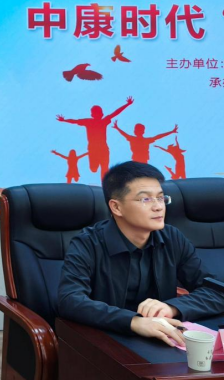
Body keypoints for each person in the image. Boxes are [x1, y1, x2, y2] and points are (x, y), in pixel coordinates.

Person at [58, 161, 224, 347]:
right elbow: (69, 300)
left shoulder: (172, 238)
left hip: (161, 339)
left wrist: (172, 307)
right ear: (116, 207)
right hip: (106, 340)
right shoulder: (88, 244)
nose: (158, 207)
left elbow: (216, 292)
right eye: (146, 199)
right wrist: (134, 321)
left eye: (161, 198)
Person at [56, 96, 133, 179]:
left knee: (104, 168)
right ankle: (97, 169)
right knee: (93, 169)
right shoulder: (89, 121)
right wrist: (64, 120)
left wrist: (127, 104)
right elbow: (75, 121)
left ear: (101, 114)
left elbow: (115, 113)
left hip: (103, 148)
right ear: (92, 114)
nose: (97, 114)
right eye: (95, 113)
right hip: (93, 149)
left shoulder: (103, 121)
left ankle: (104, 184)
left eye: (98, 113)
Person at [112, 120, 177, 164]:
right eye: (136, 129)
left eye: (137, 130)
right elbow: (158, 136)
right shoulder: (135, 139)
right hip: (136, 160)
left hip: (142, 161)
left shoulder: (140, 140)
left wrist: (171, 131)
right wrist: (117, 128)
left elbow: (158, 136)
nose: (136, 131)